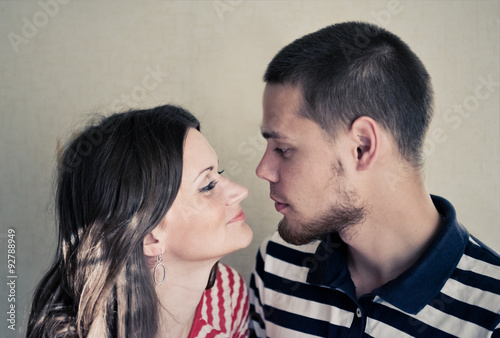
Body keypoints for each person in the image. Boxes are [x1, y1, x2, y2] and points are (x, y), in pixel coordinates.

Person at [249, 21, 500, 337]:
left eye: (283, 148)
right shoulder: (276, 263)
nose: (262, 170)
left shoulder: (491, 315)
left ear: (362, 147)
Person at [27, 104, 253, 338]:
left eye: (220, 172)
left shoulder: (227, 293)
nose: (240, 191)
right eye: (206, 186)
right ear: (149, 235)